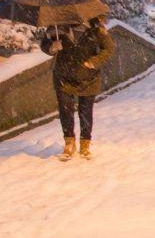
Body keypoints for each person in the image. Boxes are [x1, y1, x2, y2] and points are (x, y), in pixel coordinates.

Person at [40, 16, 115, 161]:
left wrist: (93, 62)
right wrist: (51, 47)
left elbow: (109, 48)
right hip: (64, 76)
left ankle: (85, 144)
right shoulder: (55, 25)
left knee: (85, 111)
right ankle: (69, 143)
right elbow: (44, 43)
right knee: (65, 111)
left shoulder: (96, 27)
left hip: (89, 77)